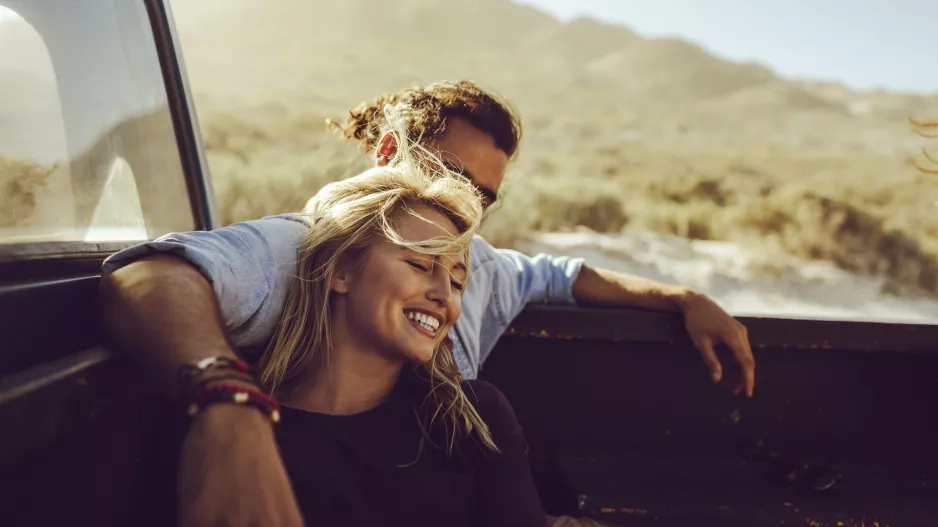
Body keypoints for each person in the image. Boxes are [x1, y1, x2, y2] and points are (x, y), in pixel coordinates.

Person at [99, 80, 755, 527]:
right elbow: (152, 274)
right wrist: (228, 405)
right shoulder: (299, 248)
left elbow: (562, 274)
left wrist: (683, 295)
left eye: (485, 196)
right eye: (449, 173)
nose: (445, 290)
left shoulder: (480, 286)